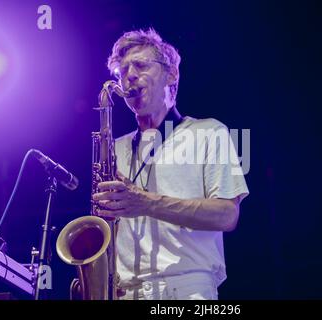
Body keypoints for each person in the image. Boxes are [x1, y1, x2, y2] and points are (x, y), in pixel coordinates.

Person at [92, 28, 249, 300]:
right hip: (124, 292)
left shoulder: (209, 131)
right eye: (122, 71)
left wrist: (146, 203)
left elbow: (227, 215)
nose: (129, 75)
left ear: (172, 74)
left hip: (186, 289)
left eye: (140, 65)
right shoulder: (114, 147)